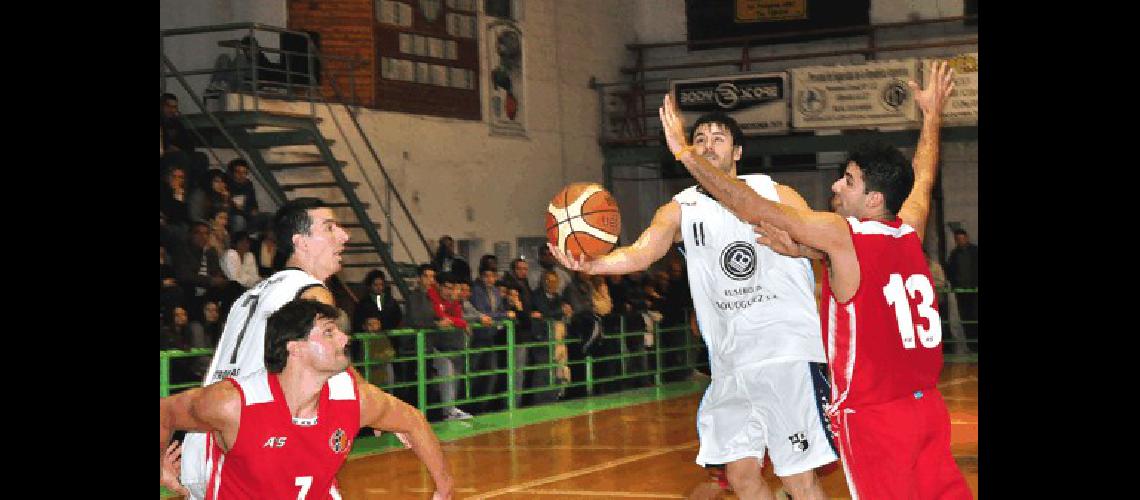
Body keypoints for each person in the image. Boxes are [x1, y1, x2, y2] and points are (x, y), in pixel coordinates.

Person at [658, 61, 970, 499]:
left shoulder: (841, 235)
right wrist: (933, 116)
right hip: (927, 408)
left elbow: (753, 207)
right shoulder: (908, 229)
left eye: (849, 181)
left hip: (874, 415)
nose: (837, 186)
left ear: (874, 198)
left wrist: (686, 153)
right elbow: (922, 179)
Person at [550, 117, 837, 497]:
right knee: (740, 476)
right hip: (730, 364)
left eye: (719, 138)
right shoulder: (681, 208)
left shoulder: (776, 192)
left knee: (797, 476)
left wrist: (802, 252)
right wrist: (595, 264)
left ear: (737, 152)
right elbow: (642, 252)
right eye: (699, 138)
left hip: (784, 355)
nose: (707, 145)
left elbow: (823, 243)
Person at [177, 197, 392, 499]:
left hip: (207, 444)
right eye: (330, 228)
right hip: (249, 446)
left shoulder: (252, 294)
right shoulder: (312, 292)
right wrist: (376, 406)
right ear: (301, 242)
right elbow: (328, 359)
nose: (344, 236)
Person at [159, 299, 454, 499]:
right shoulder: (234, 403)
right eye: (328, 332)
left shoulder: (355, 399)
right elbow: (166, 411)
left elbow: (413, 420)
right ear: (295, 348)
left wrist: (444, 489)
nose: (343, 338)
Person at [945, 228, 979, 352]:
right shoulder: (954, 255)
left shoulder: (975, 251)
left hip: (975, 291)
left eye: (962, 238)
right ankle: (972, 346)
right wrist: (955, 285)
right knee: (966, 317)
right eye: (958, 239)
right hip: (961, 292)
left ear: (967, 238)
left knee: (975, 316)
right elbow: (949, 271)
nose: (961, 241)